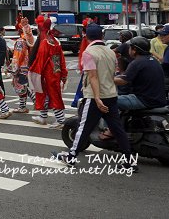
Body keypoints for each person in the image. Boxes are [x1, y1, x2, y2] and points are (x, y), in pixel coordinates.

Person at [56, 25, 137, 172]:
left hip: (95, 97)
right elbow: (114, 73)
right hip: (111, 94)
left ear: (86, 36)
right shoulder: (110, 52)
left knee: (83, 127)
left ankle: (71, 156)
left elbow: (92, 76)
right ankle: (130, 161)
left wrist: (97, 99)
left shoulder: (89, 53)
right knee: (117, 129)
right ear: (102, 36)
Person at [28, 16, 68, 129]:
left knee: (52, 96)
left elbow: (40, 60)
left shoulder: (45, 42)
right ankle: (42, 116)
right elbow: (61, 59)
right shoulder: (54, 40)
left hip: (47, 74)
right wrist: (63, 73)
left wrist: (32, 72)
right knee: (45, 95)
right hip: (55, 72)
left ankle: (60, 120)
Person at [114, 36, 168, 111]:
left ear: (134, 50)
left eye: (130, 47)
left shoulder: (137, 62)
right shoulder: (153, 60)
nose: (128, 49)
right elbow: (127, 76)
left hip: (144, 100)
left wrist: (104, 79)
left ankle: (114, 123)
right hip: (157, 99)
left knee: (109, 101)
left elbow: (123, 81)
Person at [8, 17, 35, 113]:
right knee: (24, 87)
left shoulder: (20, 41)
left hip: (20, 68)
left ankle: (37, 102)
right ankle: (23, 106)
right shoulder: (29, 40)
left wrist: (13, 68)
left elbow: (17, 56)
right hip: (27, 66)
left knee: (22, 86)